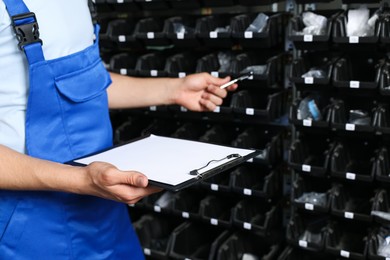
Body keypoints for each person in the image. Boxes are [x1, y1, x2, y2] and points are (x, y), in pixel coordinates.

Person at [0, 0, 237, 259]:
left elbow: (84, 87)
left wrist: (174, 90)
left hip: (103, 209)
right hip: (28, 225)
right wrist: (80, 180)